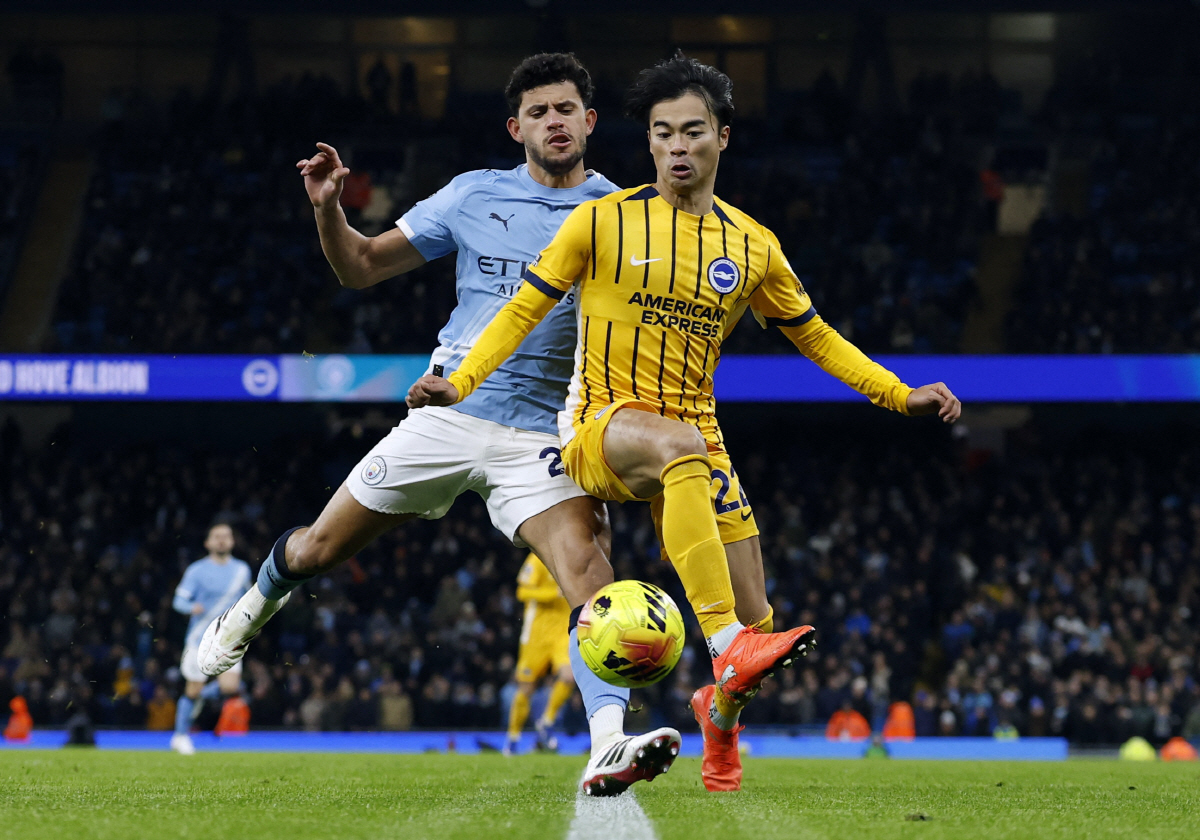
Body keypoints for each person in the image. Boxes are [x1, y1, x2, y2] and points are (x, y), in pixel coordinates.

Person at [406, 53, 962, 793]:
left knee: (763, 621)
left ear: (722, 138)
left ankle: (719, 715)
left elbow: (818, 337)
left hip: (695, 440)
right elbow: (523, 310)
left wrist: (898, 394)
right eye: (661, 133)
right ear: (648, 145)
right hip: (600, 424)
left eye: (692, 132)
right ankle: (722, 642)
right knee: (689, 477)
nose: (675, 146)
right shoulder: (600, 220)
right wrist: (461, 381)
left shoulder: (752, 245)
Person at [197, 53, 678, 795]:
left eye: (567, 109)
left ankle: (609, 743)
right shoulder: (471, 195)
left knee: (591, 572)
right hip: (446, 414)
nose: (555, 122)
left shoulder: (624, 214)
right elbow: (357, 268)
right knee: (318, 549)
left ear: (589, 120)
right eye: (539, 112)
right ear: (517, 127)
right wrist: (328, 207)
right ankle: (252, 608)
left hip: (542, 435)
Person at [170, 523, 252, 755]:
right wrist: (191, 607)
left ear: (233, 541)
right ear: (207, 543)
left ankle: (194, 701)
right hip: (199, 639)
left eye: (226, 536)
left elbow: (249, 599)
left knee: (231, 686)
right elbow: (179, 601)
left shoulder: (242, 570)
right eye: (217, 537)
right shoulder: (196, 570)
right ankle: (180, 736)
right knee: (193, 688)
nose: (222, 540)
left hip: (229, 639)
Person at [504, 553, 574, 755]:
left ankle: (547, 721)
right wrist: (553, 593)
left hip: (562, 632)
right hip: (536, 635)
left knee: (569, 676)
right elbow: (522, 592)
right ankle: (513, 738)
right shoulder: (537, 558)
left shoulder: (572, 558)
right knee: (526, 687)